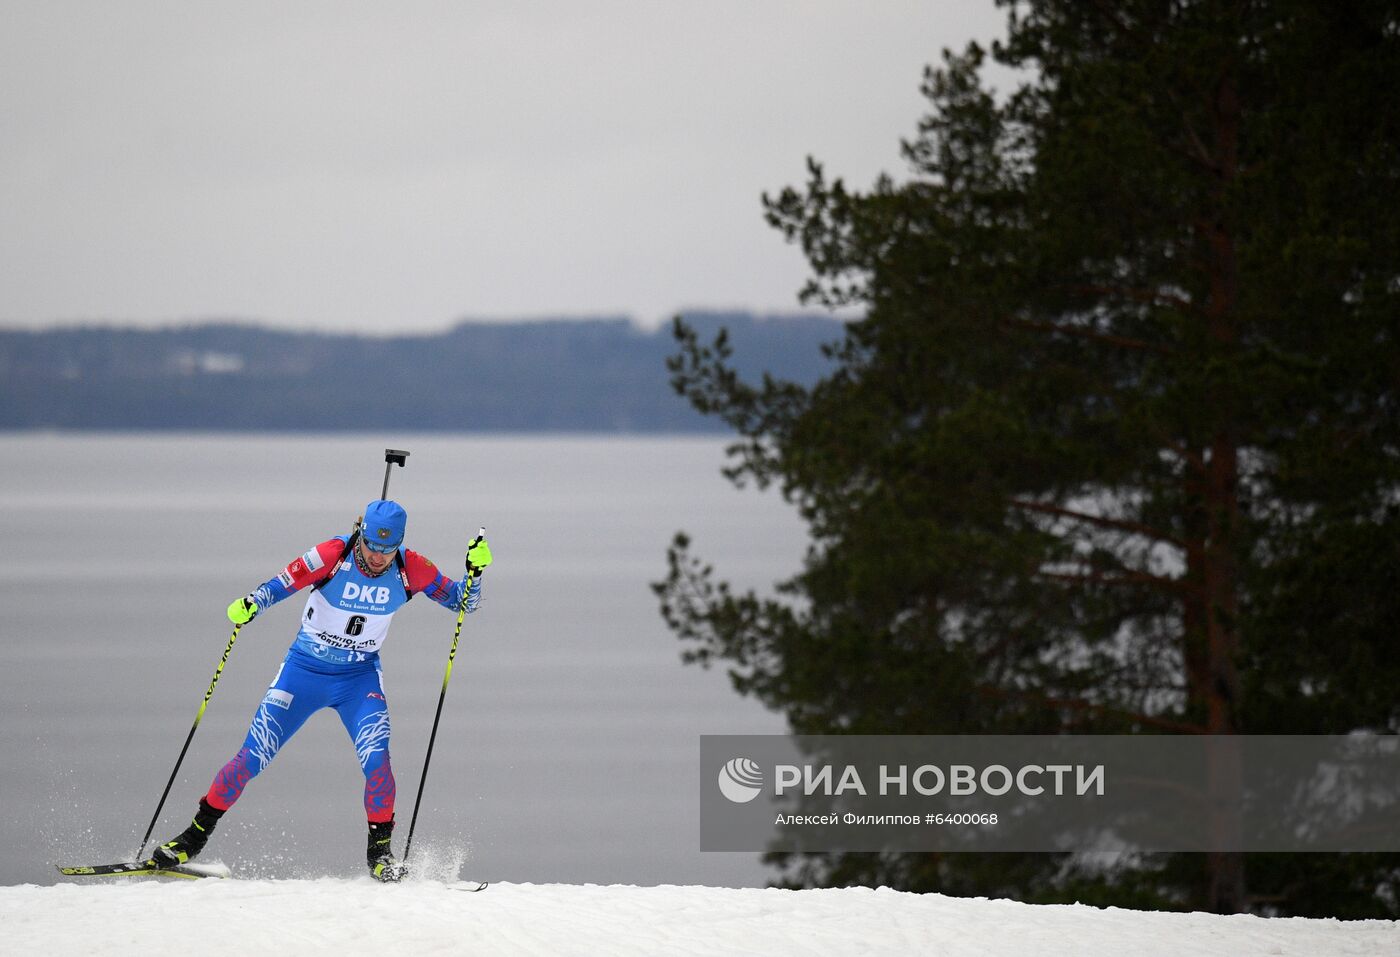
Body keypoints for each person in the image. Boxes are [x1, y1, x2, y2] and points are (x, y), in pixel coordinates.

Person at [150, 499, 493, 882]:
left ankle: (380, 855)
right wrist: (252, 604)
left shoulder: (413, 568)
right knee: (252, 757)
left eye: (387, 550)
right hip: (303, 672)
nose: (378, 558)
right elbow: (284, 582)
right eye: (372, 547)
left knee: (377, 761)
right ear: (361, 533)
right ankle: (191, 839)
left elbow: (464, 603)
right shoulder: (332, 553)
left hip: (358, 679)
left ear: (399, 544)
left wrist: (475, 572)